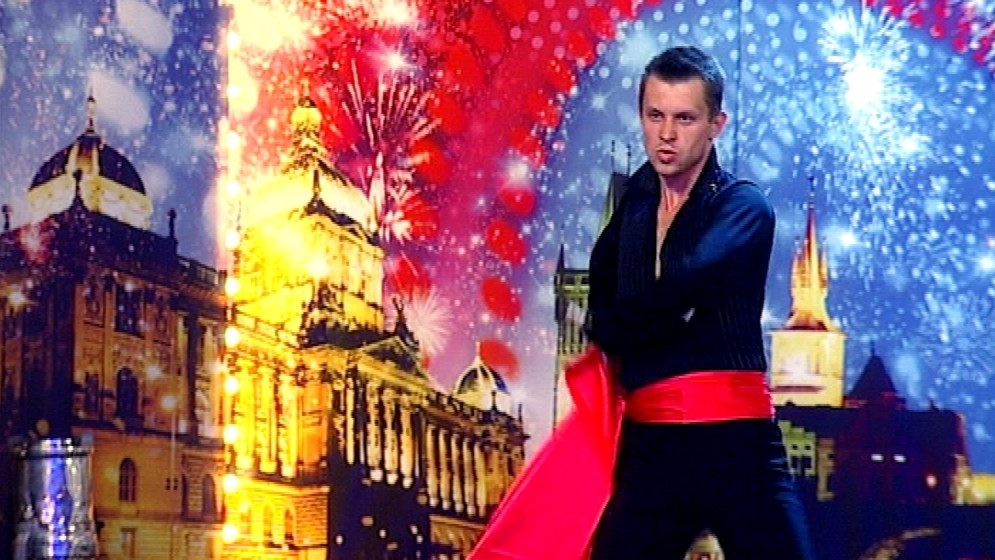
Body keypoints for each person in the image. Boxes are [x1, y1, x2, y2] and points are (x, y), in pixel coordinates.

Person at [583, 45, 815, 559]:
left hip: (736, 445)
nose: (666, 134)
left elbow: (679, 289)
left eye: (684, 118)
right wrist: (635, 323)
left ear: (716, 125)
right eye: (655, 116)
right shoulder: (634, 204)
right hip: (650, 445)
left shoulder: (743, 206)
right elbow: (603, 311)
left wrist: (635, 323)